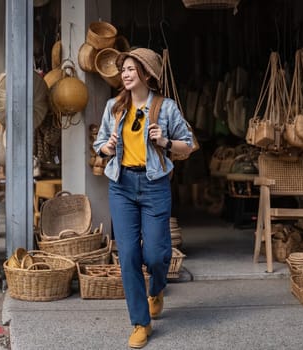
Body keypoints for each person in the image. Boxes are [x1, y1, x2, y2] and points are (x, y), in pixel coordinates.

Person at [93, 47, 193, 348]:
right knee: (129, 257)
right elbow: (99, 143)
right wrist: (106, 148)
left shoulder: (166, 108)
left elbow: (187, 145)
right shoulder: (114, 107)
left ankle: (157, 289)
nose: (124, 73)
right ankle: (140, 322)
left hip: (154, 185)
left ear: (147, 74)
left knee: (156, 254)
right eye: (123, 69)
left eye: (131, 69)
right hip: (122, 185)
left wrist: (164, 141)